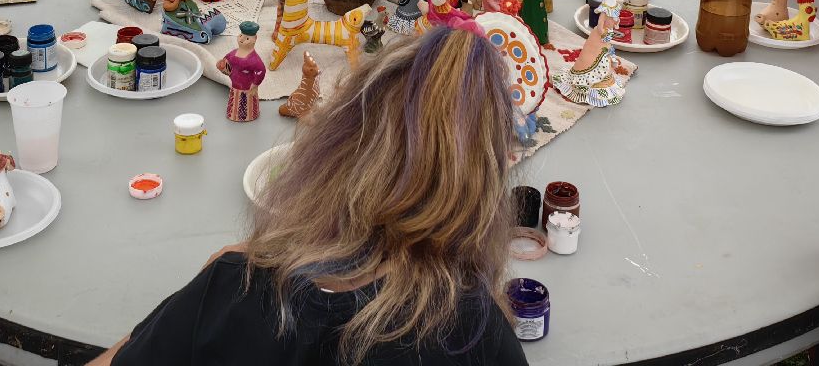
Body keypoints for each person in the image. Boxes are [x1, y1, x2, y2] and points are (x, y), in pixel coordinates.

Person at [101, 26, 528, 366]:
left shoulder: (235, 287)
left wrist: (182, 312)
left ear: (330, 147)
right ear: (482, 193)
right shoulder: (475, 331)